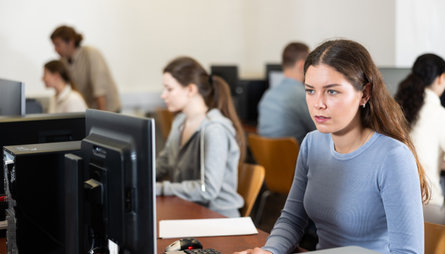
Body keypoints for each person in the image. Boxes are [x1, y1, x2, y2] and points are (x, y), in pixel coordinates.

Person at [235, 39, 429, 254]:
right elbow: (292, 219)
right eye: (310, 90)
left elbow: (408, 252)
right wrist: (270, 251)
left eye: (332, 91)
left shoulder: (393, 157)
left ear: (364, 93)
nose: (318, 103)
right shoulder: (312, 143)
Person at [155, 56, 245, 218]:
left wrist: (160, 189)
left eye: (169, 89)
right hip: (188, 209)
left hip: (216, 217)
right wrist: (135, 177)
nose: (163, 95)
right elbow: (164, 163)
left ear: (190, 89)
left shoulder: (214, 129)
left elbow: (208, 189)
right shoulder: (180, 121)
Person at [395, 53, 445, 225]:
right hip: (427, 208)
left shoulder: (396, 110)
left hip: (392, 205)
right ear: (441, 78)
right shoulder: (442, 116)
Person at [50, 25, 121, 112]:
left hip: (109, 110)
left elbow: (100, 91)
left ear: (71, 42)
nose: (55, 50)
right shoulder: (63, 61)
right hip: (91, 110)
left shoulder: (91, 54)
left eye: (57, 44)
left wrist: (103, 119)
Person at [257, 42, 315, 143]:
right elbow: (320, 130)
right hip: (295, 157)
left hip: (269, 158)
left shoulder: (268, 94)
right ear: (302, 65)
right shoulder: (302, 95)